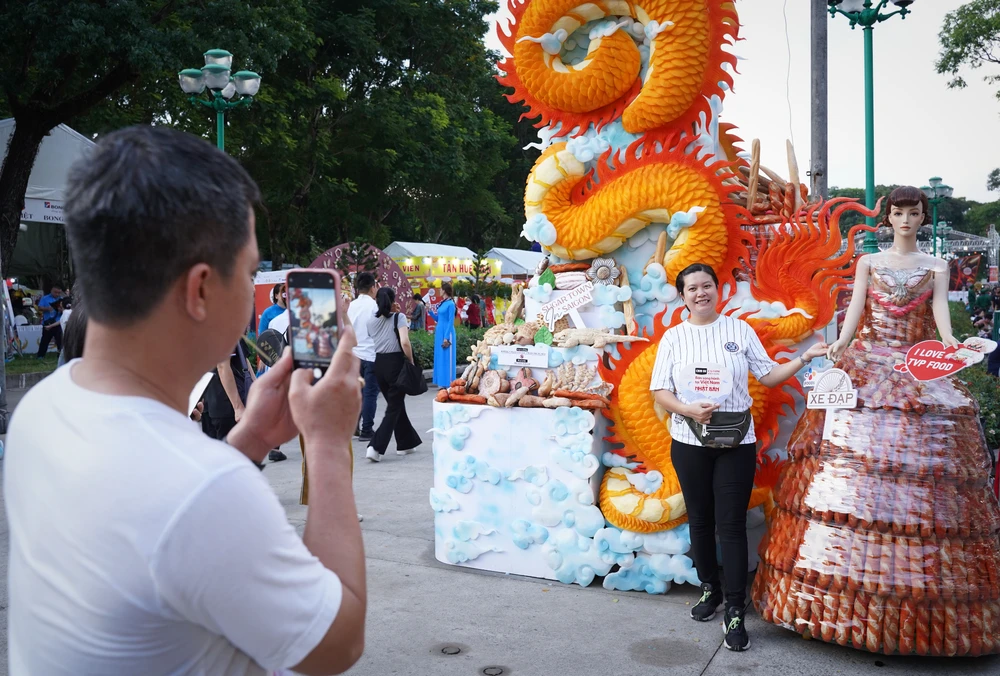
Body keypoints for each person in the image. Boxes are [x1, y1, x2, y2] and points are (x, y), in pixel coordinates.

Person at [5, 126, 366, 675]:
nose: (250, 289)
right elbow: (336, 644)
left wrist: (252, 438)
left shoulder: (44, 406)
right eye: (248, 272)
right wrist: (329, 443)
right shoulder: (205, 491)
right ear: (200, 290)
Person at [753, 187, 1000, 655]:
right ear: (888, 218)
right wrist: (840, 345)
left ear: (922, 217)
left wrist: (952, 345)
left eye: (913, 212)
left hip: (916, 366)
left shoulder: (936, 266)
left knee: (919, 472)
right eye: (898, 212)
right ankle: (831, 604)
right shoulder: (868, 263)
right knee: (851, 469)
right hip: (867, 365)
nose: (905, 219)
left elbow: (940, 318)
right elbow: (854, 315)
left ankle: (911, 607)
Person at [649, 262, 827, 653]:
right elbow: (659, 390)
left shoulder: (739, 330)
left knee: (730, 524)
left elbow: (767, 375)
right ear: (682, 296)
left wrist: (805, 357)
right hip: (689, 440)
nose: (701, 293)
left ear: (718, 289)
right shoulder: (674, 337)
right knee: (700, 520)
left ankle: (734, 608)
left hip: (736, 442)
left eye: (707, 286)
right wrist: (687, 410)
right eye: (692, 288)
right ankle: (709, 589)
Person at [364, 287, 421, 462]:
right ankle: (375, 447)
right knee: (393, 408)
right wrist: (411, 360)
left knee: (396, 405)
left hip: (378, 364)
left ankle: (406, 443)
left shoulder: (370, 321)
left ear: (376, 301)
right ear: (393, 300)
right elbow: (405, 342)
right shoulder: (399, 317)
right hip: (395, 364)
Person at [347, 272, 379, 442]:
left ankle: (354, 426)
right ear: (373, 287)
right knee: (370, 393)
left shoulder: (350, 306)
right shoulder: (374, 306)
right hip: (371, 355)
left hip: (354, 355)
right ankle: (367, 429)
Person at [428, 282, 457, 388]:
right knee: (440, 356)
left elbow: (450, 321)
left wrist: (446, 337)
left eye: (440, 289)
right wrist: (430, 311)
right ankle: (441, 381)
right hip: (439, 332)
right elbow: (438, 318)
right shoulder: (443, 303)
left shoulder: (451, 304)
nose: (439, 291)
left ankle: (449, 381)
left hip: (447, 332)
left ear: (444, 290)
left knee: (447, 357)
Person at [36, 284, 65, 358]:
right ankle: (40, 355)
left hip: (58, 322)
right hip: (48, 322)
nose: (57, 294)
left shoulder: (62, 299)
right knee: (45, 340)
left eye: (59, 293)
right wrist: (47, 308)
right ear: (51, 291)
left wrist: (61, 310)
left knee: (60, 341)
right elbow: (39, 308)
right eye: (55, 292)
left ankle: (60, 356)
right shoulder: (45, 298)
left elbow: (66, 311)